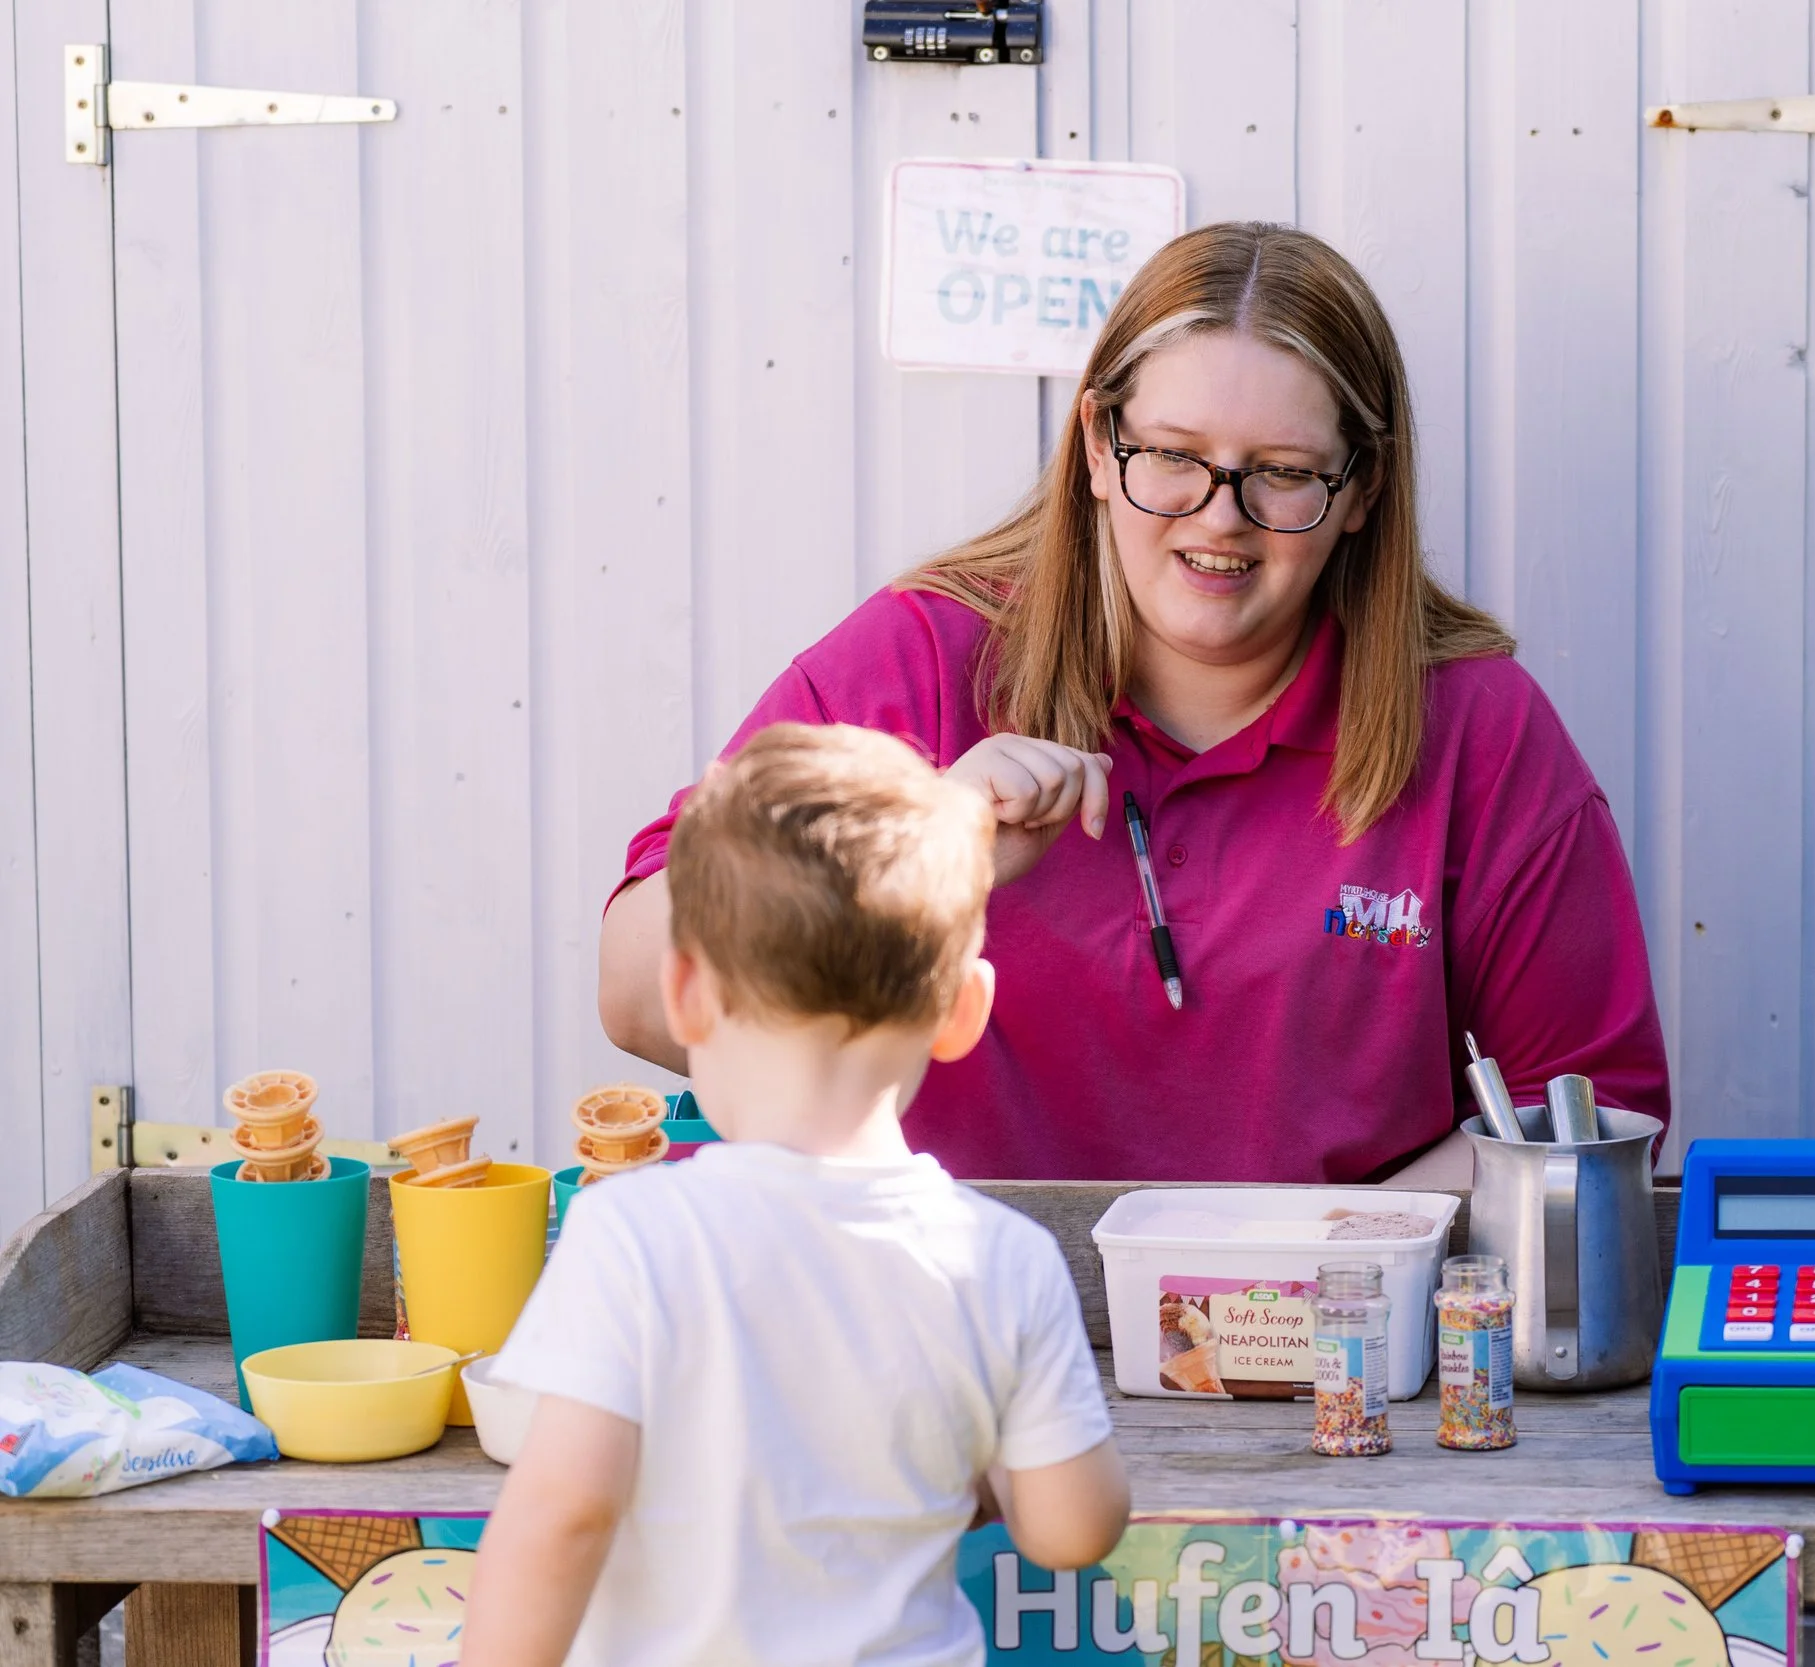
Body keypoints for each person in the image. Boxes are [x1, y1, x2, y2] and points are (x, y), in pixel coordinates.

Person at [600, 220, 1669, 1186]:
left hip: (1325, 1330)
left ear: (1362, 491)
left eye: (1284, 472)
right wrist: (912, 857)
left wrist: (1332, 1268)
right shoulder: (922, 657)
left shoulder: (1477, 729)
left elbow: (1593, 1110)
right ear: (1097, 447)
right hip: (934, 1311)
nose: (1221, 517)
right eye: (1172, 456)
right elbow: (640, 992)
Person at [465, 724, 1129, 1667]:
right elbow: (1071, 1529)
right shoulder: (1002, 1258)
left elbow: (561, 1513)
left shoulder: (631, 1235)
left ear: (685, 993)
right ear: (963, 1011)